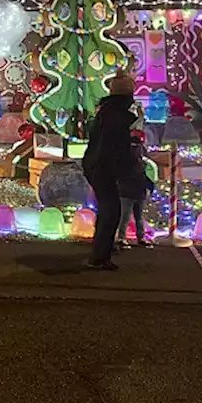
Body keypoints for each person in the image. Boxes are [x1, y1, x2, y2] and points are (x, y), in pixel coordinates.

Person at [81, 69, 139, 270]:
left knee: (109, 209)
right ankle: (99, 256)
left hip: (97, 166)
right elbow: (114, 147)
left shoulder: (108, 112)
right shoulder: (116, 116)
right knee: (111, 210)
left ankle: (102, 250)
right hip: (102, 168)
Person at [115, 103, 155, 250]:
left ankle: (136, 237)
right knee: (128, 216)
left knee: (134, 216)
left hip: (134, 188)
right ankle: (124, 237)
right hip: (129, 188)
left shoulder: (133, 153)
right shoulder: (129, 153)